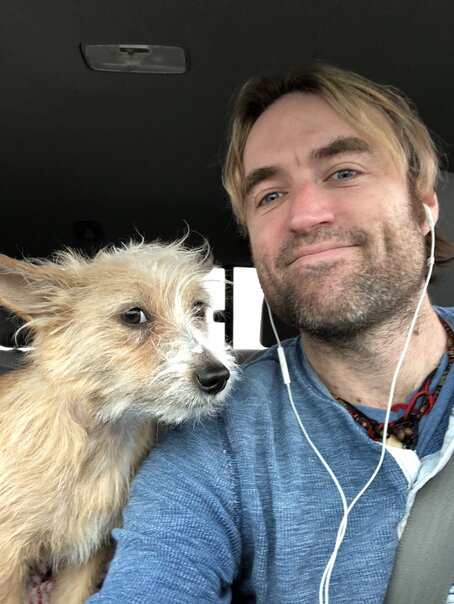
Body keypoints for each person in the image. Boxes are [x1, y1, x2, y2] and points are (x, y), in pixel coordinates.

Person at [88, 63, 454, 603]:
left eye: (343, 172)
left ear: (424, 205)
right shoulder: (214, 437)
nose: (306, 214)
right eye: (270, 196)